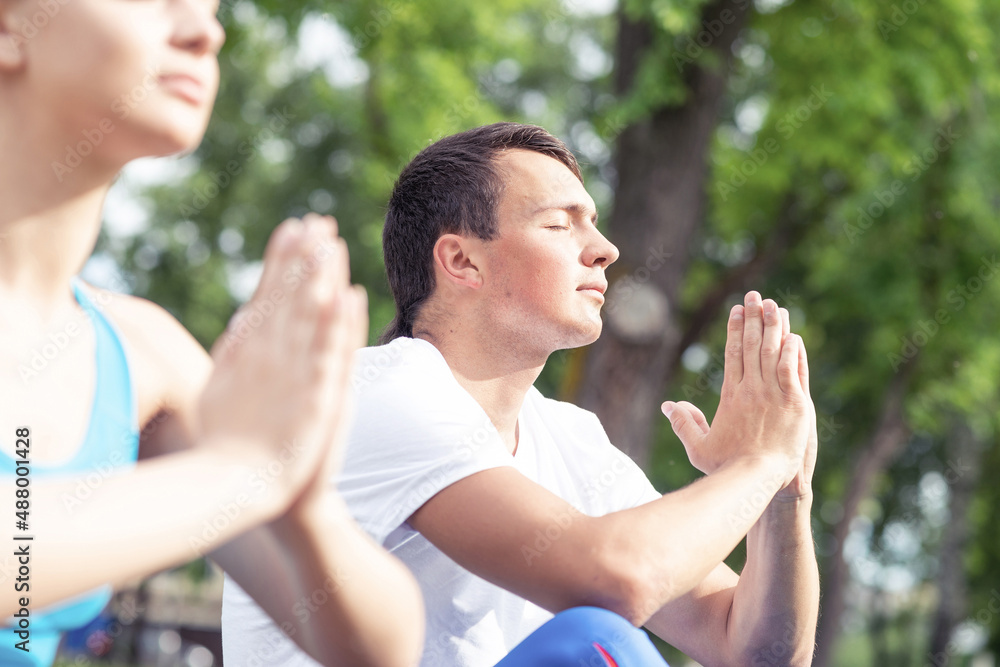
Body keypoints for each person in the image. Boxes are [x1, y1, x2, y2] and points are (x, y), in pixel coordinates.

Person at [223, 121, 820, 666]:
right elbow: (617, 581)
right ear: (461, 261)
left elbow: (754, 652)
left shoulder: (571, 437)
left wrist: (782, 491)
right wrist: (754, 464)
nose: (605, 248)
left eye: (593, 221)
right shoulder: (382, 392)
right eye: (561, 225)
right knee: (596, 648)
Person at [0, 2, 423, 666]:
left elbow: (378, 647)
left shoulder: (144, 353)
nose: (206, 30)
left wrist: (302, 500)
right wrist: (240, 470)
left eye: (212, 5)